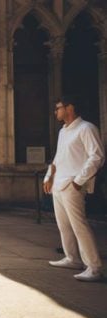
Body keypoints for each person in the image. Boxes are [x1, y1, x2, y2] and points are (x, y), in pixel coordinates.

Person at [44, 95, 105, 282]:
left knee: (79, 225)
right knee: (64, 226)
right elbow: (57, 158)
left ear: (69, 108)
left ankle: (94, 267)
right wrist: (48, 177)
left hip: (72, 184)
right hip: (59, 184)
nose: (56, 112)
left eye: (58, 108)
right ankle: (72, 258)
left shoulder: (86, 128)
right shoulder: (64, 131)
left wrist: (79, 180)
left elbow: (97, 156)